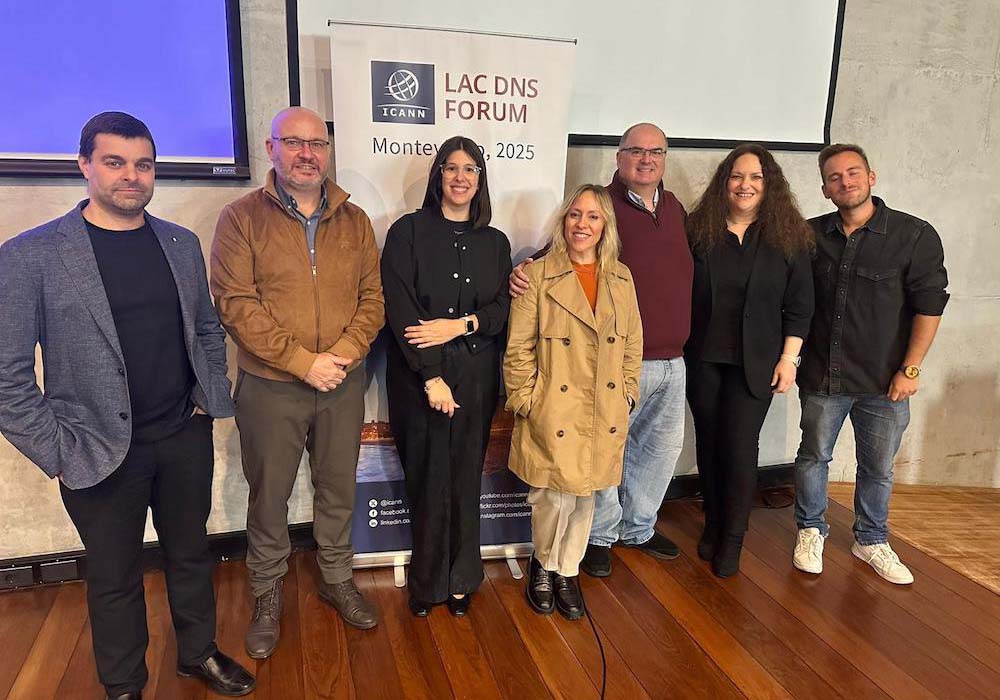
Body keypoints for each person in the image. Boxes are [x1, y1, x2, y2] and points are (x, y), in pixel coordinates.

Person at [0, 112, 254, 700]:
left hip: (181, 434)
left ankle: (198, 654)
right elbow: (8, 377)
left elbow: (205, 330)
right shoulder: (31, 256)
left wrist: (206, 398)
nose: (131, 177)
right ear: (84, 164)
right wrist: (57, 453)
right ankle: (123, 684)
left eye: (143, 165)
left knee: (191, 554)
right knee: (113, 577)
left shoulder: (179, 243)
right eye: (115, 162)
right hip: (95, 449)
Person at [211, 107, 384, 657]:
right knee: (270, 495)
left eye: (317, 143)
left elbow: (372, 301)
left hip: (342, 381)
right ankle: (266, 592)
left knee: (338, 488)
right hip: (270, 385)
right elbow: (235, 306)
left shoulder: (354, 221)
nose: (307, 153)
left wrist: (342, 354)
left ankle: (336, 578)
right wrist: (301, 361)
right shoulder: (240, 219)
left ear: (328, 151)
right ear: (271, 148)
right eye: (294, 142)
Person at [510, 123, 692, 577]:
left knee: (654, 455)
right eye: (635, 150)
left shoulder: (674, 209)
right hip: (588, 373)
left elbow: (631, 330)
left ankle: (638, 528)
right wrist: (528, 399)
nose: (646, 159)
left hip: (664, 361)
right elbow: (550, 278)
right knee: (584, 469)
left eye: (655, 151)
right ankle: (597, 540)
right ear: (619, 156)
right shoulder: (606, 202)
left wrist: (626, 388)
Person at [793, 143, 948, 585]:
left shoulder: (913, 235)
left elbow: (930, 306)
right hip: (824, 375)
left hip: (886, 382)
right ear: (825, 189)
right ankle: (810, 530)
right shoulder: (809, 235)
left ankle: (872, 538)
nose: (846, 182)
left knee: (877, 467)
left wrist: (911, 369)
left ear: (871, 177)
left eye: (853, 172)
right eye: (835, 177)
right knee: (813, 457)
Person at [381, 136, 512, 617]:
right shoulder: (408, 232)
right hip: (419, 378)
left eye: (470, 169)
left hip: (476, 375)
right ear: (438, 175)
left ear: (480, 179)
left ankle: (462, 580)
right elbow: (401, 310)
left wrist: (463, 324)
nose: (461, 177)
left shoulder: (495, 242)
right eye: (451, 168)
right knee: (427, 478)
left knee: (463, 480)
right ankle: (428, 583)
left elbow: (500, 308)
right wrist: (432, 378)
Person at [505, 185, 642, 618]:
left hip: (603, 409)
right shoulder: (538, 275)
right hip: (554, 407)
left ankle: (568, 569)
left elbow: (633, 343)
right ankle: (543, 566)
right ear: (564, 221)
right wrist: (528, 401)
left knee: (586, 498)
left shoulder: (621, 277)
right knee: (551, 498)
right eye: (575, 215)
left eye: (593, 217)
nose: (582, 224)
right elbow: (517, 349)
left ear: (606, 227)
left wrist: (628, 393)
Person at [684, 144, 814, 577]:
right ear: (725, 181)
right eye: (737, 176)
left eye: (755, 178)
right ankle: (714, 523)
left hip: (756, 363)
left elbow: (800, 306)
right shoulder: (697, 231)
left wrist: (789, 359)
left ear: (768, 184)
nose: (745, 185)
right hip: (702, 357)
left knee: (740, 448)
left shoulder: (788, 238)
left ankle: (733, 540)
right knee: (709, 445)